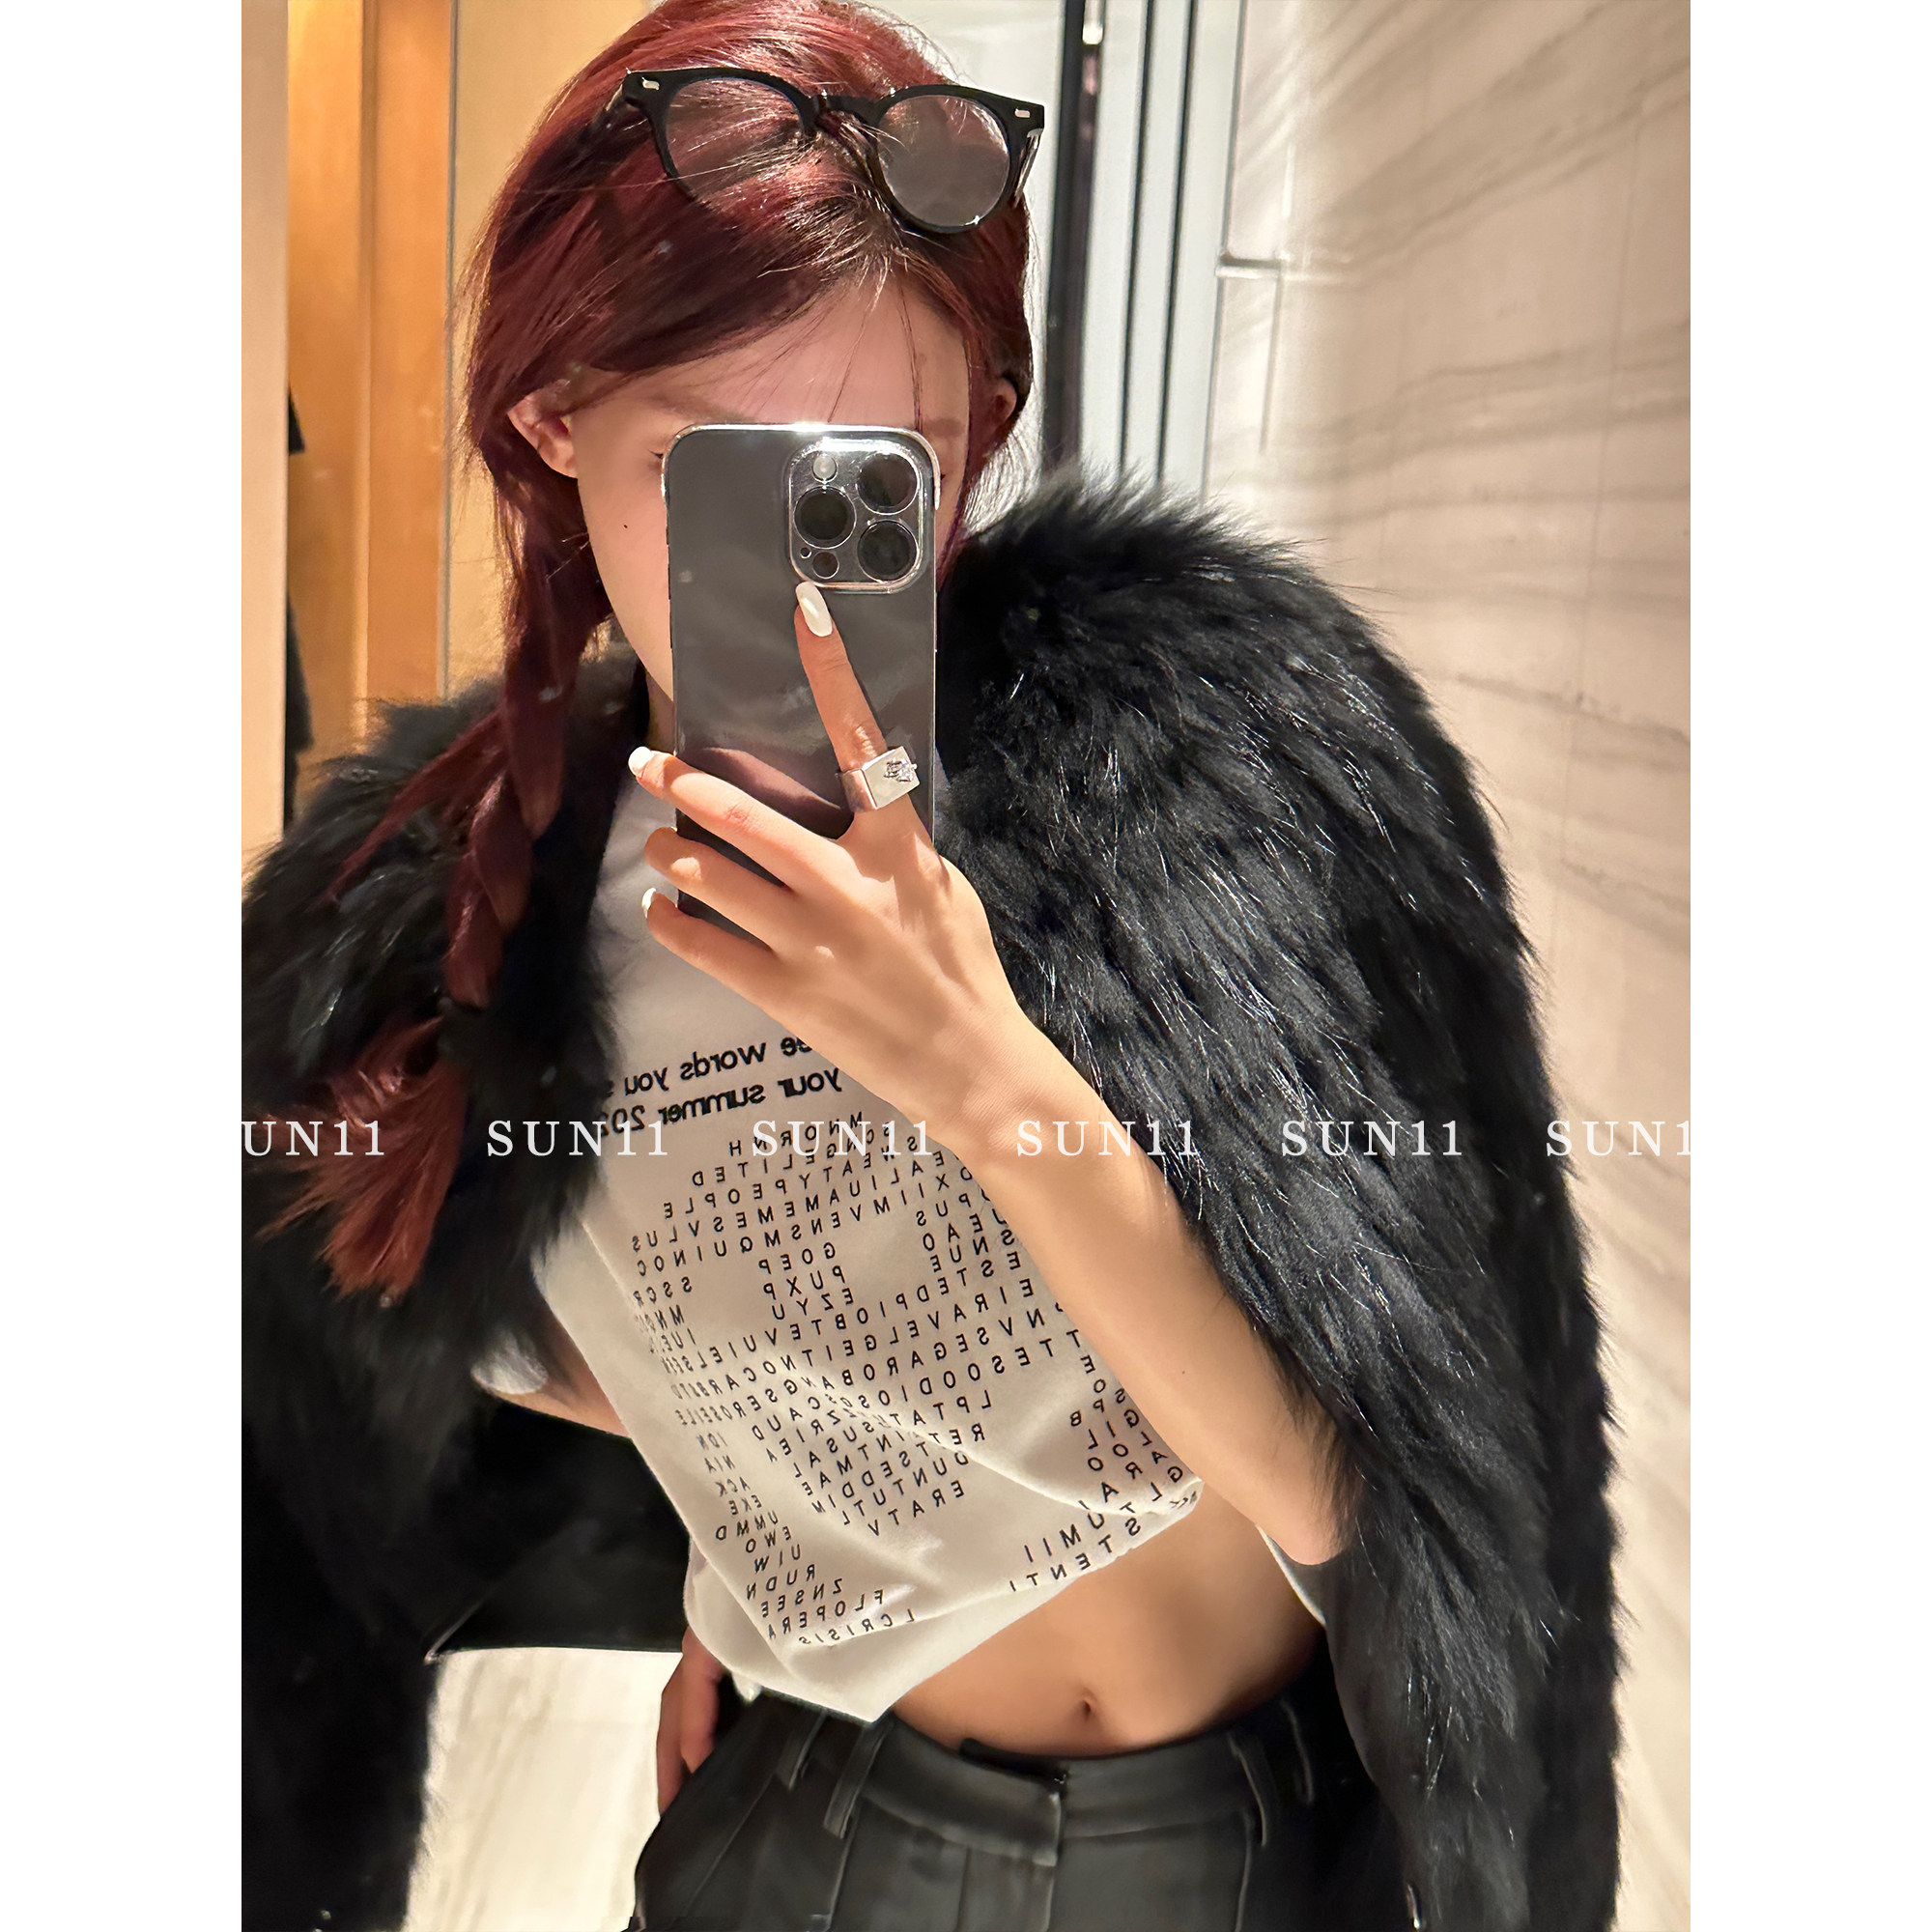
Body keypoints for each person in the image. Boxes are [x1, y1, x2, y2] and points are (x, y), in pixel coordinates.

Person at [242, 4, 1618, 1929]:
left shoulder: (1194, 780)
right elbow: (402, 1365)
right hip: (813, 1823)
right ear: (552, 424)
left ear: (976, 430)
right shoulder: (442, 906)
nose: (802, 579)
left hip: (1235, 1847)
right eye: (714, 470)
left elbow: (1355, 1495)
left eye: (871, 476)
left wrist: (986, 1078)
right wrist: (765, 1525)